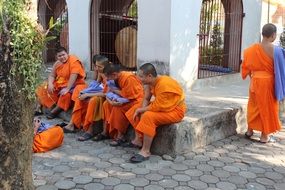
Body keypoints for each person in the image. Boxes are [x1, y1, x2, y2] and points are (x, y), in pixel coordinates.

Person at [125, 63, 186, 163]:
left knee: (148, 116)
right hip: (163, 106)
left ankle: (145, 151)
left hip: (175, 110)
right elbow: (146, 98)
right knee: (135, 108)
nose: (139, 79)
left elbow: (159, 106)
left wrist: (142, 111)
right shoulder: (150, 83)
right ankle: (138, 140)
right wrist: (142, 109)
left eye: (141, 76)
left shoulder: (164, 84)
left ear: (149, 76)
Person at [241, 23, 281, 143]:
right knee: (266, 108)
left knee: (254, 106)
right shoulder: (276, 51)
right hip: (268, 83)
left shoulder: (250, 50)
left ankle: (249, 131)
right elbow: (281, 70)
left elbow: (245, 67)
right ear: (273, 35)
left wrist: (253, 77)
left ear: (262, 34)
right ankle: (264, 136)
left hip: (255, 81)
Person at [94, 64, 144, 145]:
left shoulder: (128, 78)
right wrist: (111, 101)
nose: (106, 79)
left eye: (107, 77)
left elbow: (130, 95)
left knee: (119, 109)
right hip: (124, 99)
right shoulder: (113, 79)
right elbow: (107, 93)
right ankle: (107, 132)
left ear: (114, 74)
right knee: (106, 104)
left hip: (135, 100)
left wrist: (114, 91)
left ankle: (121, 136)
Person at [63, 55, 109, 141]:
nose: (97, 68)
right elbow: (96, 83)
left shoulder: (110, 74)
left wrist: (88, 95)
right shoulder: (100, 71)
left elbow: (107, 93)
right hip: (100, 91)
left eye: (99, 67)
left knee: (93, 100)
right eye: (96, 66)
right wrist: (87, 92)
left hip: (107, 96)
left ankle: (90, 130)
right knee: (80, 96)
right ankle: (73, 123)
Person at [36, 47, 86, 119]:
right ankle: (39, 108)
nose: (62, 57)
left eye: (63, 55)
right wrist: (50, 84)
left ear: (67, 54)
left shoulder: (74, 61)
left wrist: (67, 88)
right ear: (57, 57)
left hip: (74, 85)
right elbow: (52, 75)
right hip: (60, 84)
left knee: (66, 95)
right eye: (59, 56)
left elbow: (74, 75)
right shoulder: (58, 63)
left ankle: (54, 112)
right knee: (43, 87)